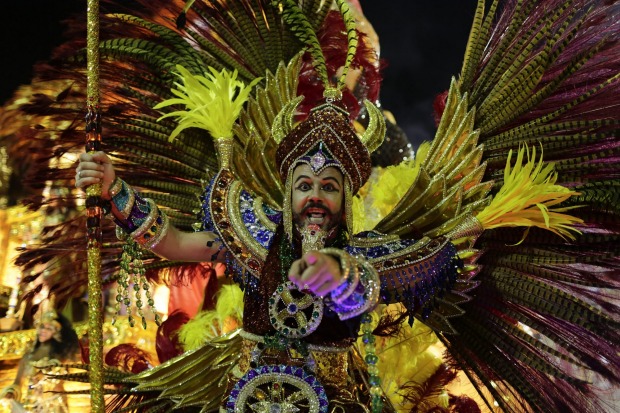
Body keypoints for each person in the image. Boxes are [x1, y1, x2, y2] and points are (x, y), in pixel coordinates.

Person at [0, 310, 79, 413]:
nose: (43, 330)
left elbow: (60, 380)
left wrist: (44, 377)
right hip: (31, 404)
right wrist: (10, 393)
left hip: (52, 404)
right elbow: (17, 383)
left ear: (56, 332)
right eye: (42, 327)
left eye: (48, 328)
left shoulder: (60, 357)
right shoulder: (28, 356)